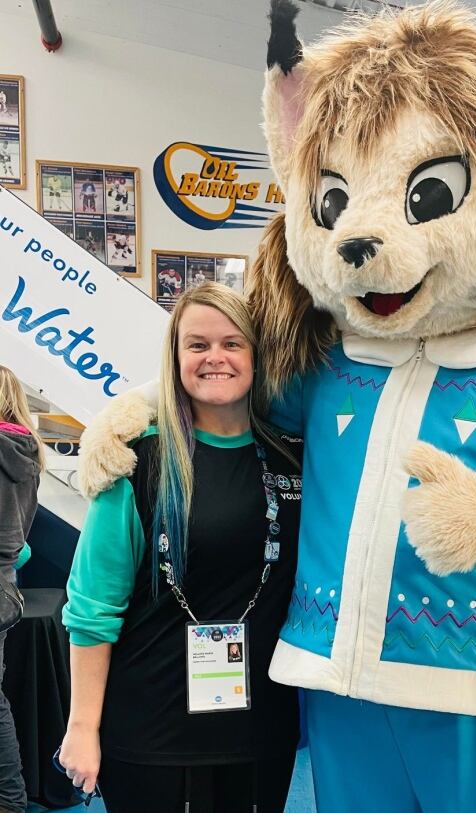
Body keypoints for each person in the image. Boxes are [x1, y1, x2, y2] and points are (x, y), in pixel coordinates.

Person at [59, 283, 301, 813]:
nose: (215, 357)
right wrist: (82, 727)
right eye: (197, 345)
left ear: (257, 356)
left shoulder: (294, 462)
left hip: (260, 731)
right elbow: (93, 609)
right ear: (175, 359)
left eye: (232, 343)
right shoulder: (136, 464)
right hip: (151, 729)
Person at [0, 366, 45, 813]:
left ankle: (9, 800)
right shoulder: (26, 453)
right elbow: (21, 545)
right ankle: (10, 800)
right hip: (8, 586)